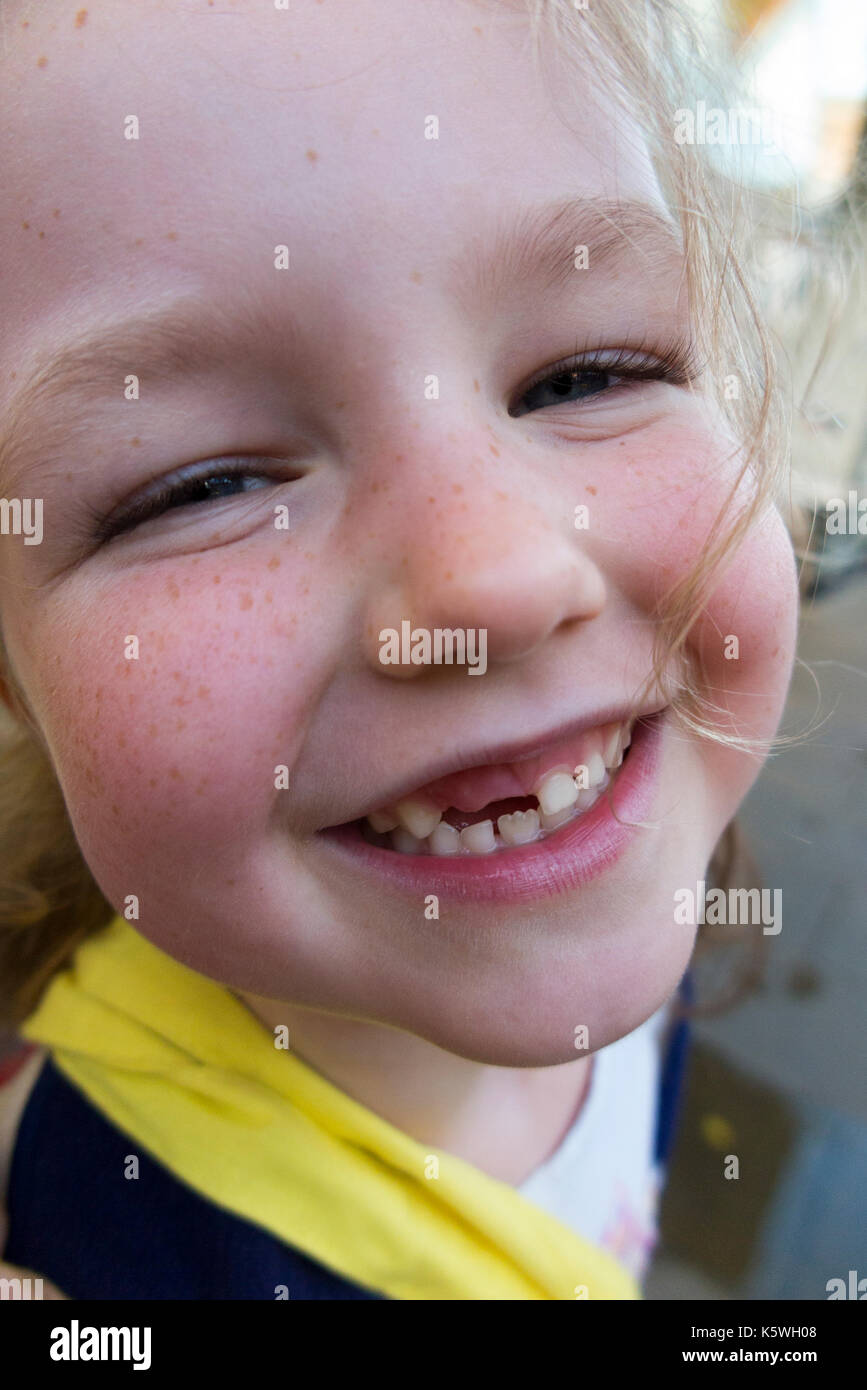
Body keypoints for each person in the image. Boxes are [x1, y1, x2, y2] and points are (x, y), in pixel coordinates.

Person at [0, 0, 798, 1300]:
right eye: (194, 487)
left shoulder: (649, 862)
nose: (496, 576)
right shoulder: (101, 1241)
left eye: (588, 374)